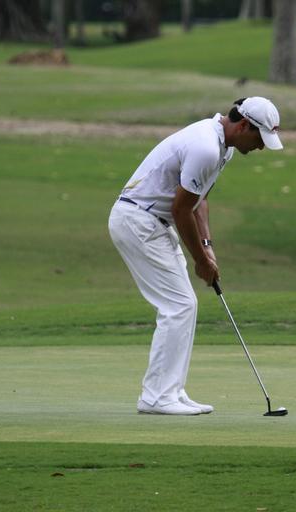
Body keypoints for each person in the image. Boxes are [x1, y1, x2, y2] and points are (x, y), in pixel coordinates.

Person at [108, 97, 283, 415]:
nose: (259, 147)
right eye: (259, 139)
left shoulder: (223, 146)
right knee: (179, 305)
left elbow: (198, 201)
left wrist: (207, 246)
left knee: (183, 305)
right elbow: (180, 209)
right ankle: (157, 397)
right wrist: (200, 261)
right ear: (243, 125)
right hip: (138, 220)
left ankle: (170, 390)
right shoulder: (206, 147)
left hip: (151, 221)